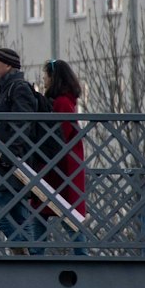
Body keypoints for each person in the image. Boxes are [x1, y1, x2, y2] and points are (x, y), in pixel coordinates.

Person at [0, 47, 46, 252]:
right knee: (19, 213)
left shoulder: (18, 88)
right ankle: (32, 256)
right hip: (8, 158)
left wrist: (12, 153)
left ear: (8, 65)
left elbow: (22, 123)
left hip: (14, 160)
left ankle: (24, 249)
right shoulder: (6, 89)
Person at [37, 58, 89, 254]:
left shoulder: (60, 103)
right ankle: (79, 255)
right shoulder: (67, 101)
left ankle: (37, 256)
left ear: (54, 78)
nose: (44, 80)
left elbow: (59, 137)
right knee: (67, 217)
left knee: (45, 212)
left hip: (60, 170)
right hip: (66, 169)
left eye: (46, 76)